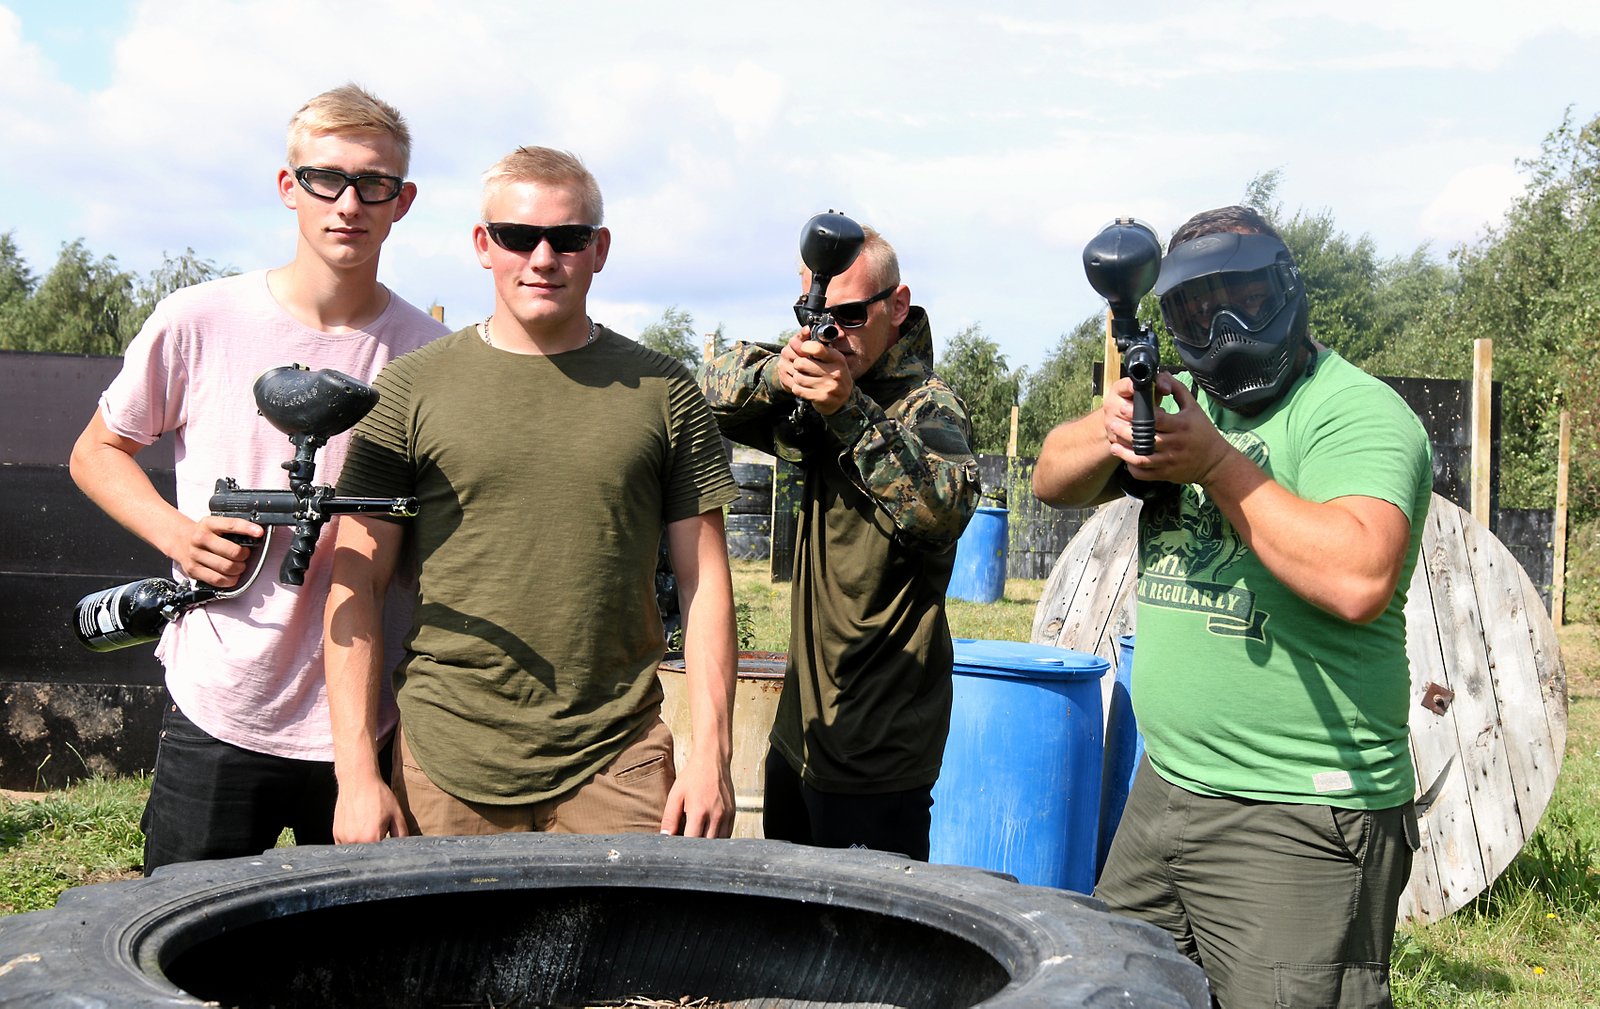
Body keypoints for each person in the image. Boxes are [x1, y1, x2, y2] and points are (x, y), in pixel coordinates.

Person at [1032, 205, 1433, 1007]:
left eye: (1245, 300)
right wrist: (1112, 425)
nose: (1225, 329)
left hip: (1300, 810)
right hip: (1165, 787)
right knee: (1109, 990)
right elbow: (1050, 477)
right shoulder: (1187, 406)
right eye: (1196, 312)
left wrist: (1216, 464)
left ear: (1285, 289)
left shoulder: (1354, 411)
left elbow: (1359, 576)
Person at [68, 84, 447, 874]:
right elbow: (96, 451)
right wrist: (179, 535)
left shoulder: (431, 355)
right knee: (179, 928)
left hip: (369, 720)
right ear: (288, 186)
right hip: (220, 703)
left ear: (403, 200)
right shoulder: (199, 319)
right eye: (325, 178)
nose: (349, 203)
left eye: (373, 183)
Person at [324, 146, 739, 842]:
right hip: (446, 761)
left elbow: (706, 580)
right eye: (518, 236)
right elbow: (356, 578)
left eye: (567, 238)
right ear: (483, 245)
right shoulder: (409, 389)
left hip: (619, 760)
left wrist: (713, 759)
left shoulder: (664, 391)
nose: (542, 258)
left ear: (599, 249)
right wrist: (357, 774)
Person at [700, 226, 980, 861]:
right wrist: (779, 374)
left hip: (877, 751)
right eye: (816, 315)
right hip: (800, 733)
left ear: (897, 306)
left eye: (851, 316)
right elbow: (710, 385)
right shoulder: (818, 384)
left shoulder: (927, 406)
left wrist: (848, 411)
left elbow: (942, 512)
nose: (834, 333)